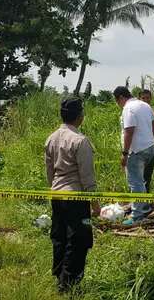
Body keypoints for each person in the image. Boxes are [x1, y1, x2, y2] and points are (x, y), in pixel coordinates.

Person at [45, 97, 101, 293]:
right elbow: (87, 177)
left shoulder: (52, 138)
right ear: (80, 116)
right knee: (78, 239)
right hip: (76, 198)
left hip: (57, 195)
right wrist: (95, 204)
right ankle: (68, 284)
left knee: (59, 237)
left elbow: (49, 171)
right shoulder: (80, 141)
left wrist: (54, 189)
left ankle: (59, 276)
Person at [113, 86, 154, 225]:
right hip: (150, 147)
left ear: (120, 98)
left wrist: (125, 153)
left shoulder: (128, 108)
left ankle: (137, 216)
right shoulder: (144, 105)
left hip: (136, 151)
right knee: (142, 181)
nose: (118, 104)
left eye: (117, 101)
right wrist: (150, 139)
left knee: (136, 182)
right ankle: (144, 206)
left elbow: (129, 131)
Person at [138, 89, 154, 193]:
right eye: (143, 98)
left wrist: (149, 133)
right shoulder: (135, 113)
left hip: (151, 144)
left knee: (147, 175)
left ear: (151, 98)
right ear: (139, 99)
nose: (145, 100)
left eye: (147, 98)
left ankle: (146, 197)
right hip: (137, 146)